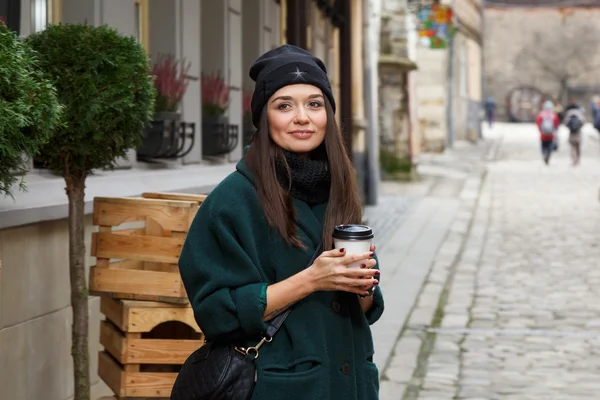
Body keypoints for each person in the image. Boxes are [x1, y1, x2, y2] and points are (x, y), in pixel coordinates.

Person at [177, 44, 384, 399]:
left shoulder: (340, 188)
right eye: (284, 105)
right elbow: (215, 313)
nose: (302, 117)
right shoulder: (232, 201)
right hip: (279, 386)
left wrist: (363, 284)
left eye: (314, 104)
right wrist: (312, 279)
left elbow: (365, 310)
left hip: (349, 385)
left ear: (327, 115)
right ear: (263, 117)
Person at [562, 99, 586, 166]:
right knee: (578, 146)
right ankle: (578, 160)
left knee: (572, 146)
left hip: (572, 132)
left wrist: (570, 127)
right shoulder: (579, 112)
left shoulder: (569, 113)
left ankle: (574, 160)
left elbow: (565, 122)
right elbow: (583, 122)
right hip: (578, 132)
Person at [535, 100, 560, 165]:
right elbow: (556, 124)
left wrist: (540, 130)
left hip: (543, 135)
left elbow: (538, 123)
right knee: (549, 146)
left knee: (543, 146)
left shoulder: (541, 114)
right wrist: (555, 131)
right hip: (551, 135)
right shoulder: (553, 115)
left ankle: (544, 154)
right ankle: (548, 156)